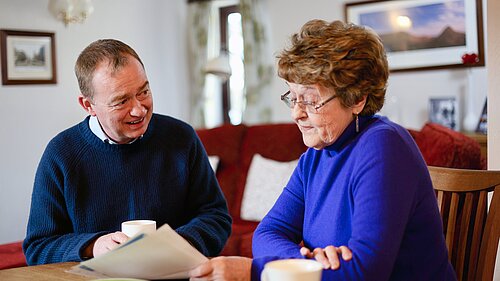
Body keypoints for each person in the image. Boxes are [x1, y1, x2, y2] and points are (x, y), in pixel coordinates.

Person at [188, 20, 456, 280]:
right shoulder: (315, 156)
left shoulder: (384, 147)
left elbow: (365, 272)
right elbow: (268, 233)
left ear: (358, 98)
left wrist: (255, 272)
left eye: (310, 100)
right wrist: (304, 262)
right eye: (292, 97)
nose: (296, 113)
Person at [23, 39, 232, 265]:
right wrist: (93, 246)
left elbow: (216, 216)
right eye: (121, 101)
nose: (139, 109)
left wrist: (178, 244)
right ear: (88, 105)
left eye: (143, 92)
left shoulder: (181, 137)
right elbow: (38, 247)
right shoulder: (61, 154)